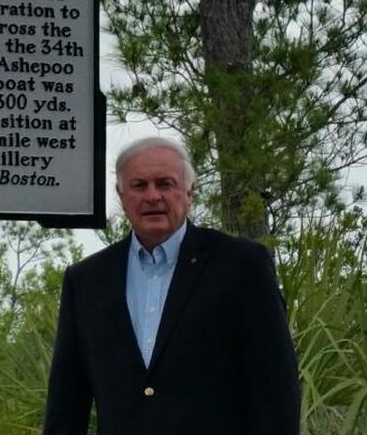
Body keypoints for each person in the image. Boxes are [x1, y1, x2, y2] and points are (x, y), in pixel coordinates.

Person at [42, 137, 300, 435]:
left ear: (189, 192)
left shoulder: (242, 265)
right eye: (139, 186)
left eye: (165, 184)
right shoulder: (86, 280)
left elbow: (276, 389)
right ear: (121, 194)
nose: (152, 196)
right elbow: (67, 401)